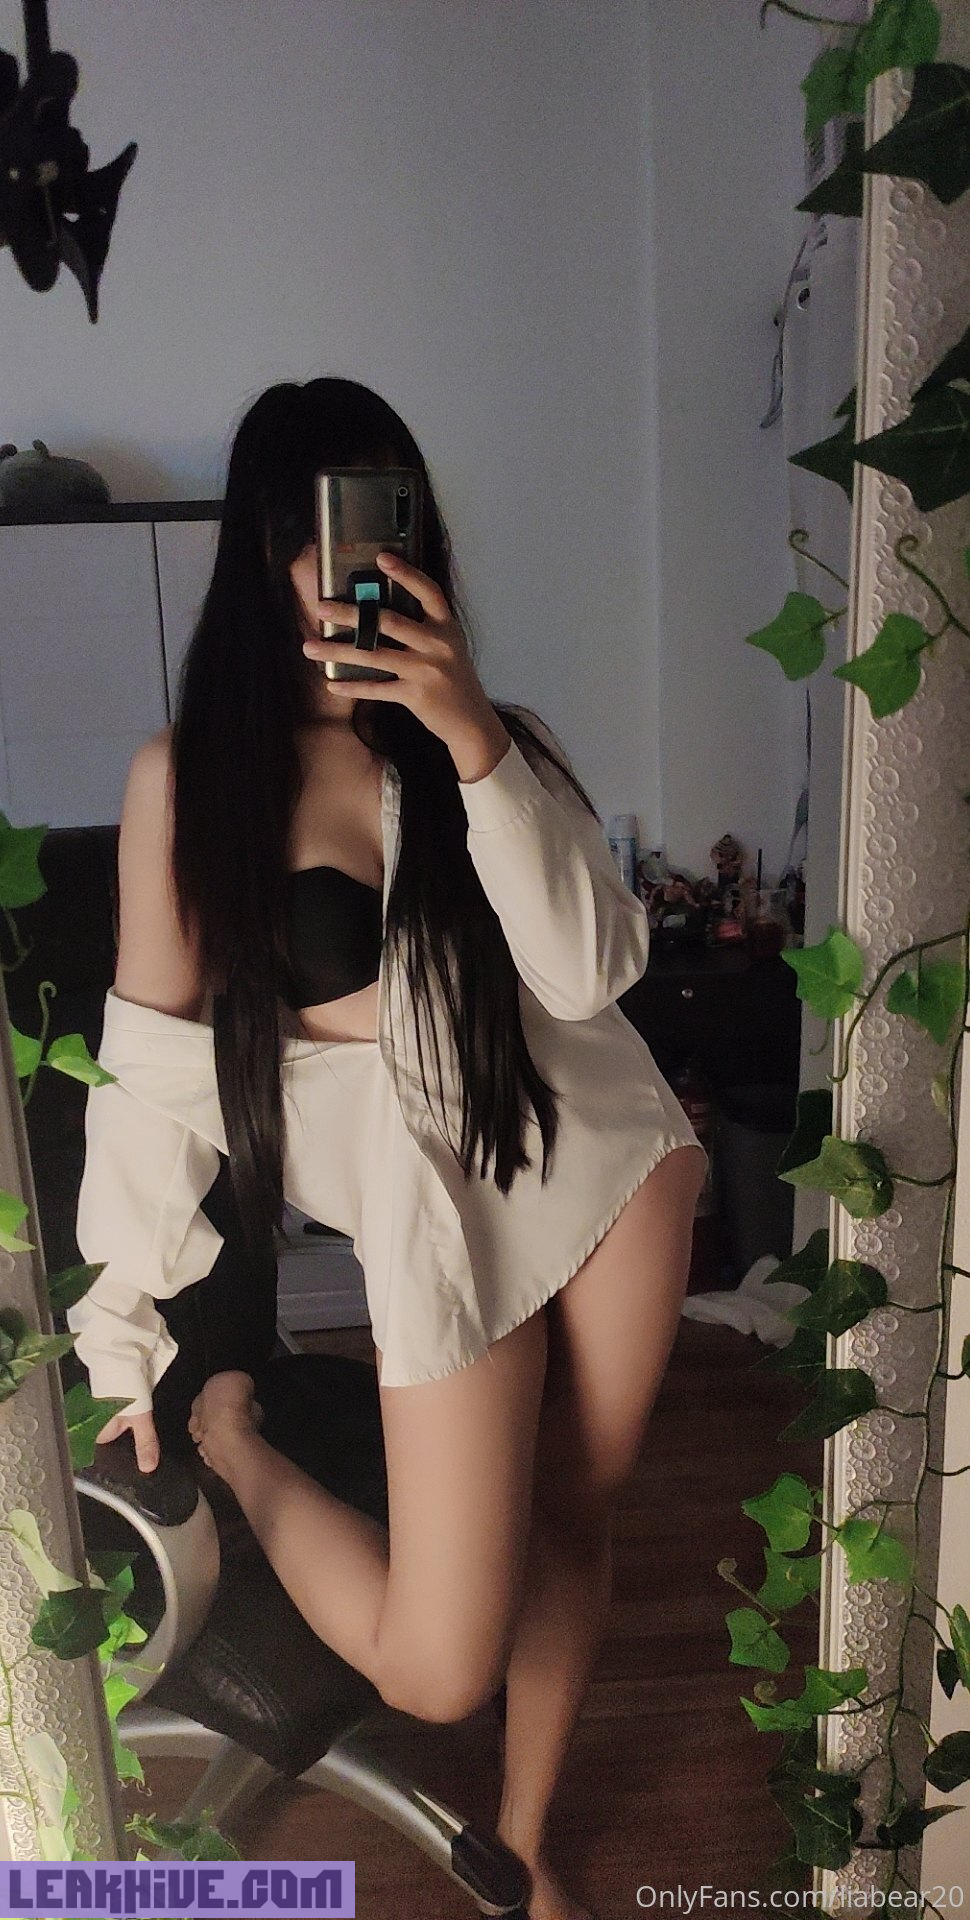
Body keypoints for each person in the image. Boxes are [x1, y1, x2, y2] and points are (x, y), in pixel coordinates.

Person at [70, 376, 708, 1920]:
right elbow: (154, 1074)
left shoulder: (492, 737)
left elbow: (590, 974)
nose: (348, 563)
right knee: (434, 1665)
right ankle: (246, 1442)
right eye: (314, 527)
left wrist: (469, 731)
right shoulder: (189, 780)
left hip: (606, 1163)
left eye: (380, 518)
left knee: (571, 1516)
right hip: (436, 1215)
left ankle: (522, 1839)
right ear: (261, 547)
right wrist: (122, 1322)